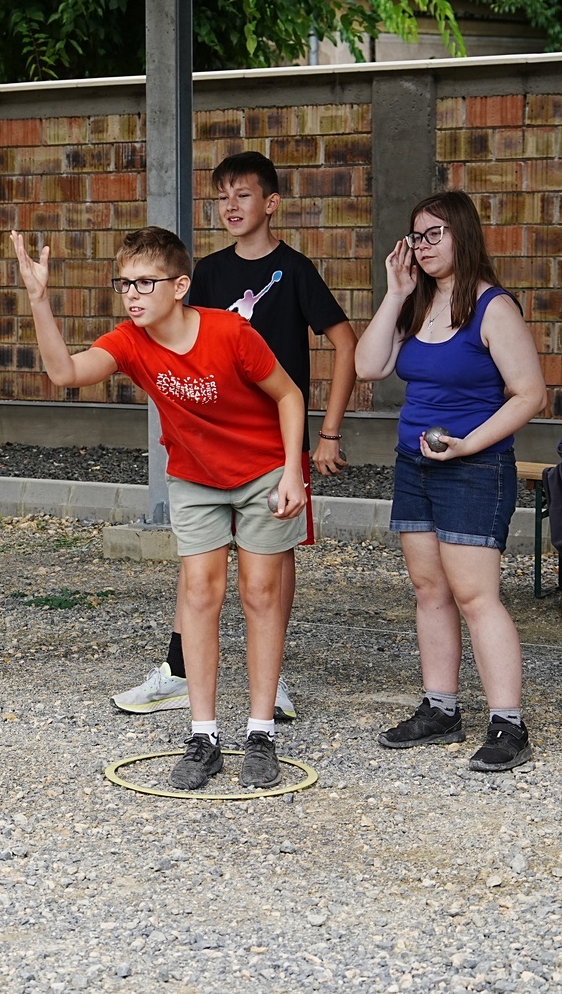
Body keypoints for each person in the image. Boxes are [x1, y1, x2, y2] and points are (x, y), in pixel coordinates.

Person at [13, 226, 307, 790]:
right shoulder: (130, 341)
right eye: (125, 283)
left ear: (179, 286)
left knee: (261, 593)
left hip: (263, 470)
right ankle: (203, 737)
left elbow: (289, 394)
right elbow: (65, 374)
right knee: (199, 593)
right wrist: (39, 299)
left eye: (146, 282)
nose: (133, 294)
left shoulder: (229, 332)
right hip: (194, 477)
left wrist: (293, 469)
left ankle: (261, 732)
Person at [111, 151, 357, 723]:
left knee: (271, 562)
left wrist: (329, 432)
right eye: (221, 196)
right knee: (200, 567)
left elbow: (346, 343)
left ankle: (272, 680)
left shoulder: (295, 269)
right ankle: (179, 669)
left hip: (276, 438)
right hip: (209, 442)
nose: (230, 206)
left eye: (242, 194)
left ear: (271, 203)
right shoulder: (204, 273)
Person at [354, 190, 546, 772]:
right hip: (413, 465)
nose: (423, 245)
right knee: (429, 590)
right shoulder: (416, 303)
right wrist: (395, 293)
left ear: (464, 234)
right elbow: (368, 367)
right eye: (417, 236)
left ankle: (508, 724)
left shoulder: (493, 308)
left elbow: (530, 395)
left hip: (474, 467)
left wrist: (469, 444)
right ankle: (441, 709)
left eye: (435, 233)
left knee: (475, 595)